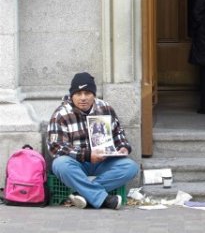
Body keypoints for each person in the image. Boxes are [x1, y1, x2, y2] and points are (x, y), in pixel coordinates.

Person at [47, 72, 139, 210]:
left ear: (94, 94)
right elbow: (56, 147)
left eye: (87, 93)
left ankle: (83, 194)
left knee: (131, 167)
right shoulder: (61, 114)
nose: (83, 98)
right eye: (78, 93)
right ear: (72, 95)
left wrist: (123, 147)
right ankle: (104, 199)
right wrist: (88, 155)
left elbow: (118, 133)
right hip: (77, 163)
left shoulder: (105, 108)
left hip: (103, 161)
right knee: (60, 164)